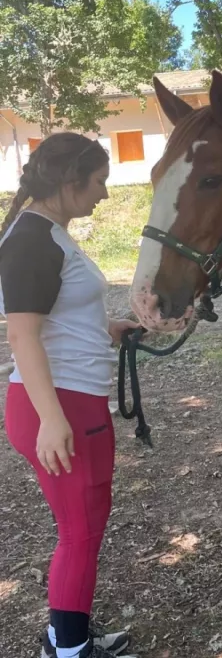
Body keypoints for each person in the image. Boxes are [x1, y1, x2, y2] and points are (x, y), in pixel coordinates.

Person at [0, 133, 140, 658]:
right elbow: (22, 335)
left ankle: (66, 634)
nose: (104, 193)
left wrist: (110, 327)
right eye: (99, 181)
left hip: (68, 400)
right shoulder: (33, 238)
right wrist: (52, 419)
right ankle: (69, 651)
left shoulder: (47, 232)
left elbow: (57, 318)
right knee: (80, 532)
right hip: (60, 406)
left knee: (84, 526)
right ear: (67, 180)